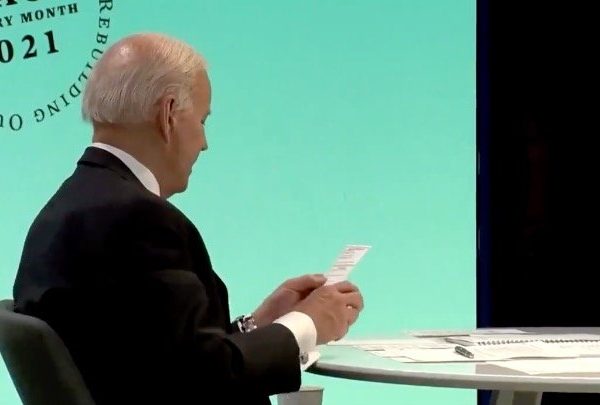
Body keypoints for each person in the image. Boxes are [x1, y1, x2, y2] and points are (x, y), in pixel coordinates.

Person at [12, 33, 364, 405]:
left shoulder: (64, 211)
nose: (204, 143)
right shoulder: (138, 220)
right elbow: (207, 381)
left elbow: (163, 361)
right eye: (202, 120)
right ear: (168, 115)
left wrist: (258, 326)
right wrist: (306, 324)